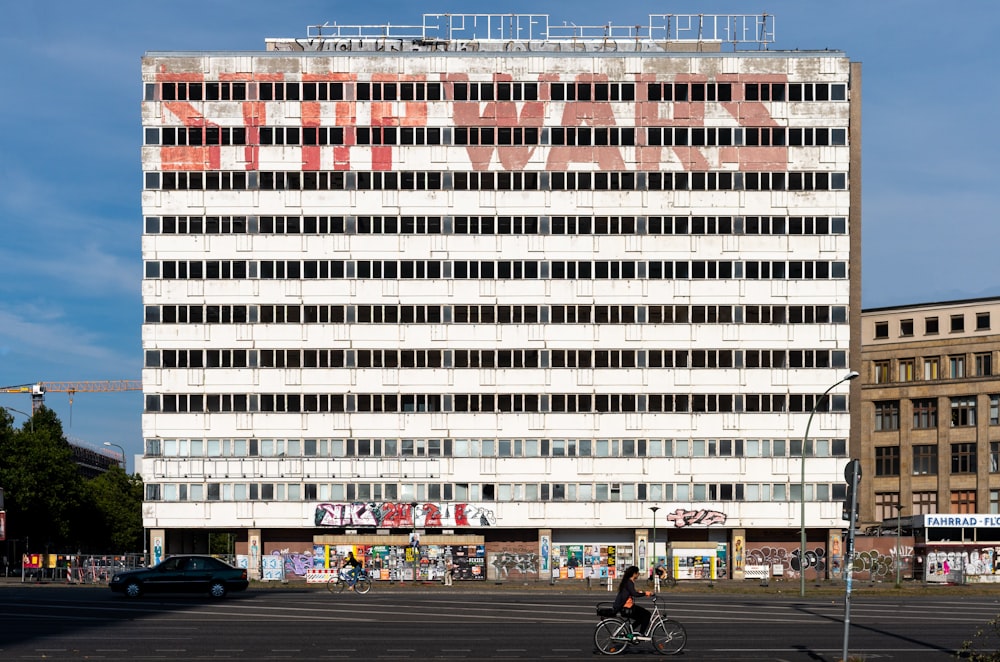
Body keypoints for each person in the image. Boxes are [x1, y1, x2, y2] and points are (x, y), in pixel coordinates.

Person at [613, 565, 652, 635]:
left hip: (626, 607)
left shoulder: (627, 581)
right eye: (638, 573)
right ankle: (641, 634)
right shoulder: (629, 582)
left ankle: (629, 632)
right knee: (647, 614)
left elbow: (631, 592)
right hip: (627, 607)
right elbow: (634, 594)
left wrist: (640, 592)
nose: (638, 574)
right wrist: (645, 593)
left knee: (641, 618)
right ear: (634, 574)